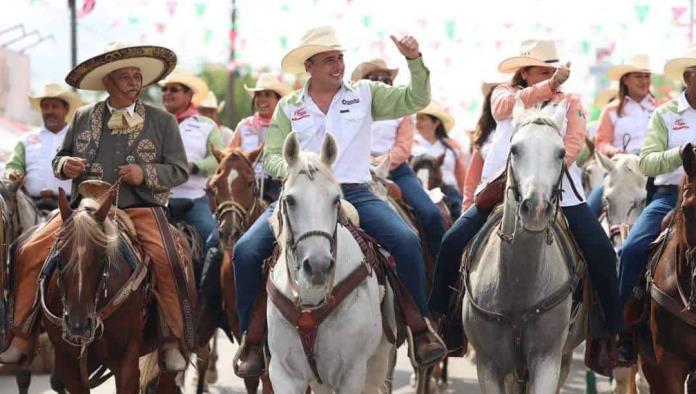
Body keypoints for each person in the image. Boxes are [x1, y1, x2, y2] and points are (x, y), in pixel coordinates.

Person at [232, 26, 446, 378]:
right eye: (329, 59)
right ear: (310, 65)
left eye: (340, 58)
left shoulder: (365, 94)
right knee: (245, 251)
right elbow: (271, 155)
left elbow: (415, 100)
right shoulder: (289, 107)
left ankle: (419, 328)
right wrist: (294, 168)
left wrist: (414, 61)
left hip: (355, 190)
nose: (338, 64)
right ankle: (252, 339)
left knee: (406, 241)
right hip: (300, 193)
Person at [0, 43, 192, 371]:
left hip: (140, 208)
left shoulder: (162, 121)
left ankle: (172, 338)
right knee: (27, 249)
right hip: (84, 210)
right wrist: (66, 166)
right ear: (108, 82)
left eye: (137, 76)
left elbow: (179, 170)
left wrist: (143, 173)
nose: (134, 82)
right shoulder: (82, 116)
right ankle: (21, 335)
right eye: (126, 76)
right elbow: (59, 158)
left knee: (169, 257)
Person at [429, 39, 622, 341]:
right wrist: (548, 88)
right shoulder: (504, 94)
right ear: (524, 73)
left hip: (560, 189)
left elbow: (574, 140)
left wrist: (548, 170)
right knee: (452, 242)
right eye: (542, 71)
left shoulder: (571, 101)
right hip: (500, 188)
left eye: (552, 71)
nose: (549, 77)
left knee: (603, 254)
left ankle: (612, 333)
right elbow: (503, 110)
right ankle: (442, 321)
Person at [617, 47, 696, 362]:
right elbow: (646, 163)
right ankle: (622, 331)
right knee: (633, 248)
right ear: (689, 78)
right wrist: (681, 154)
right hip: (670, 197)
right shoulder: (665, 114)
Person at [352, 58, 445, 257]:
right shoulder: (349, 111)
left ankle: (440, 272)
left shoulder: (402, 111)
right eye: (374, 78)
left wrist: (380, 162)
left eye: (386, 79)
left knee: (430, 214)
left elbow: (403, 147)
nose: (382, 83)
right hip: (358, 172)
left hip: (397, 172)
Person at [160, 67, 223, 248]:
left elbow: (218, 158)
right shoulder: (153, 122)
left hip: (194, 198)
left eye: (174, 89)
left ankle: (209, 278)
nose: (167, 93)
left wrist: (193, 167)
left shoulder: (206, 125)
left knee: (215, 243)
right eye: (164, 89)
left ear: (189, 95)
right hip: (156, 200)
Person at [587, 55, 656, 216]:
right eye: (638, 76)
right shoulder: (611, 110)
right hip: (620, 170)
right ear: (625, 80)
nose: (644, 81)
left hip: (653, 169)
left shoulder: (661, 107)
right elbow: (601, 142)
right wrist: (614, 151)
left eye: (647, 76)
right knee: (591, 208)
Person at [4, 84, 81, 209]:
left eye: (55, 106)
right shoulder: (26, 139)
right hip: (31, 206)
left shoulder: (79, 138)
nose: (50, 111)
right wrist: (13, 173)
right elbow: (13, 165)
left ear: (66, 109)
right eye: (45, 106)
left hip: (70, 206)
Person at [230, 73, 292, 202]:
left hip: (279, 185)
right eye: (258, 95)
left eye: (267, 95)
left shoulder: (287, 126)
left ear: (278, 100)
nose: (261, 99)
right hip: (246, 185)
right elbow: (229, 157)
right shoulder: (244, 125)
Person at [413, 100, 467, 219]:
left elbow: (461, 177)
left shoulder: (452, 146)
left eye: (422, 118)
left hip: (449, 191)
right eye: (417, 118)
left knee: (458, 214)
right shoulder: (412, 146)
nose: (418, 122)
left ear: (435, 122)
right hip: (420, 191)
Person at [461, 78, 503, 212]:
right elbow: (472, 180)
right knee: (455, 234)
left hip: (525, 199)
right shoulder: (484, 137)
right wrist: (467, 207)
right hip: (488, 199)